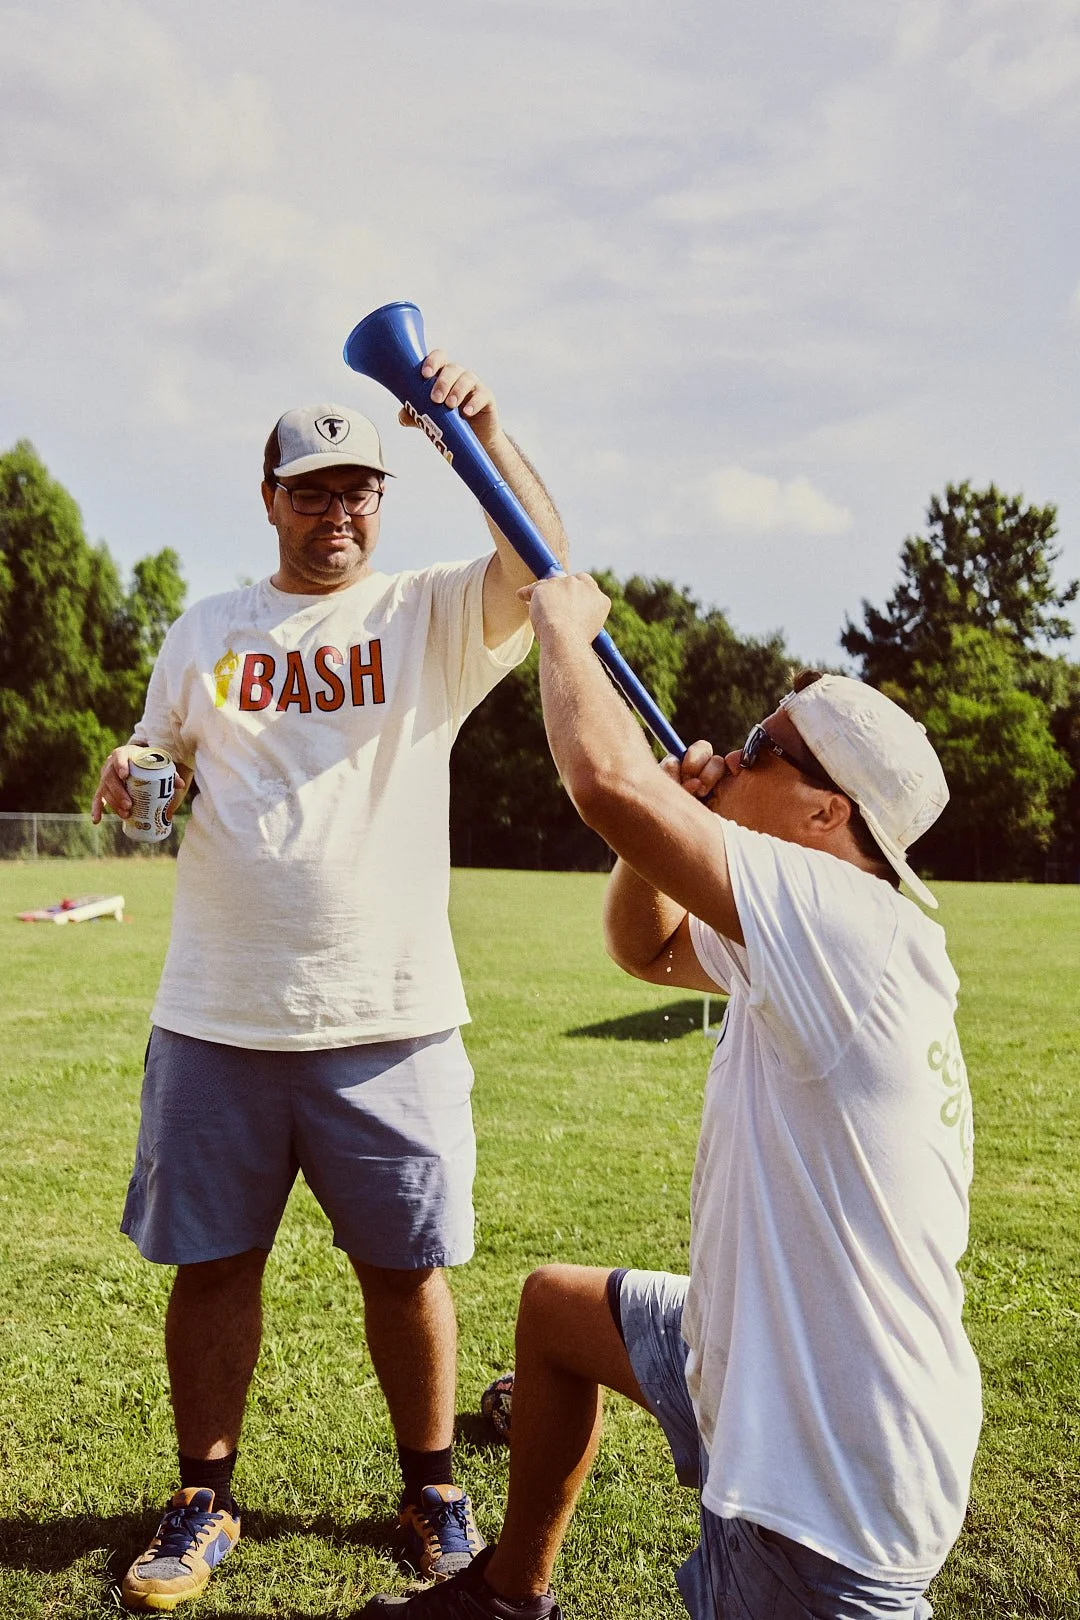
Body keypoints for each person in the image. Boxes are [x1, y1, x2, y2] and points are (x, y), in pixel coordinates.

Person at [359, 572, 982, 1620]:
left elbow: (602, 778)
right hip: (757, 1358)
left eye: (761, 746)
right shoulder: (805, 931)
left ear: (829, 811)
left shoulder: (840, 921)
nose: (732, 752)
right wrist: (679, 815)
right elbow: (644, 947)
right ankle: (510, 1595)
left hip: (833, 1482)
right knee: (557, 1311)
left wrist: (563, 629)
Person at [91, 351, 568, 1612]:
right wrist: (131, 781)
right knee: (214, 1261)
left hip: (392, 1014)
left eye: (361, 488)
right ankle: (202, 1496)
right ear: (269, 498)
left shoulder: (425, 614)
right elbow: (158, 787)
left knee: (406, 1268)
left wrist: (483, 431)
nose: (340, 511)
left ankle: (436, 1492)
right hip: (216, 1010)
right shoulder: (208, 629)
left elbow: (543, 564)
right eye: (315, 490)